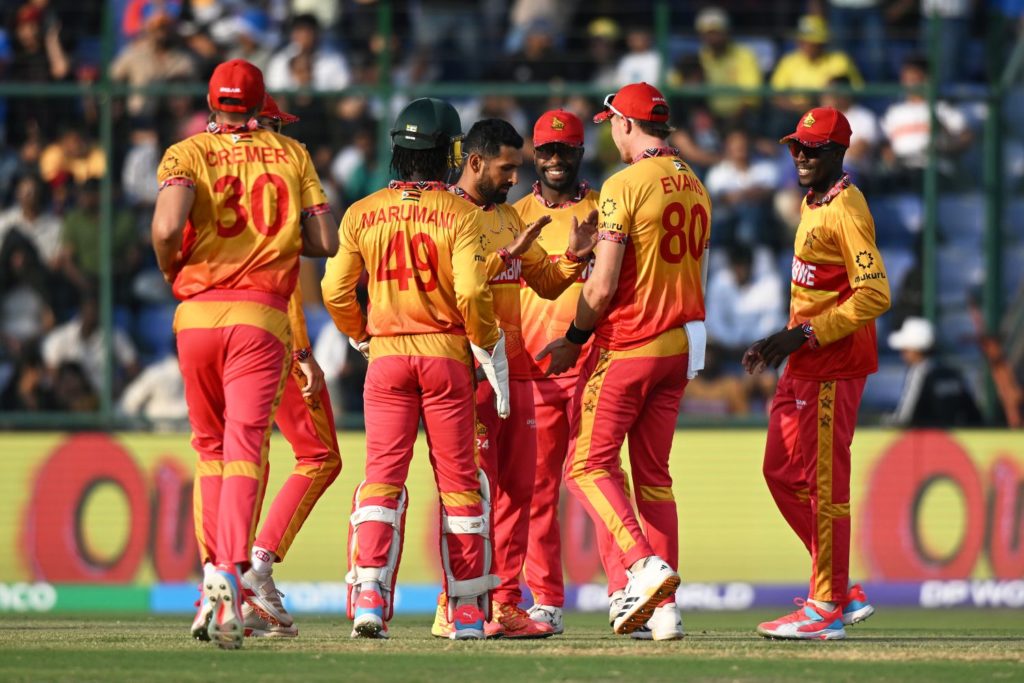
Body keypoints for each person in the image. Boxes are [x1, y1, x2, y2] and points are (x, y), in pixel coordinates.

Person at [151, 59, 338, 650]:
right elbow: (325, 241)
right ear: (261, 103)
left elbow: (165, 228)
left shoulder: (185, 152)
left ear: (210, 101)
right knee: (246, 450)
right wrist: (282, 239)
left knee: (209, 447)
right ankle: (232, 571)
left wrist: (172, 270)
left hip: (196, 314)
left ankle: (212, 579)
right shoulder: (291, 153)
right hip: (259, 317)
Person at [321, 97, 507, 641]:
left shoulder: (362, 211)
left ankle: (369, 599)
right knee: (459, 486)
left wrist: (360, 334)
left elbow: (334, 289)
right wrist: (486, 345)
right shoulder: (461, 213)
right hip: (445, 356)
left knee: (381, 480)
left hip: (386, 358)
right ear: (450, 151)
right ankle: (468, 612)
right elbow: (473, 290)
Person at [538, 82, 713, 641]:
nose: (609, 131)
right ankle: (666, 613)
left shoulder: (623, 185)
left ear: (626, 124)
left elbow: (604, 283)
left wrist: (572, 336)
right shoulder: (696, 184)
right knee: (655, 478)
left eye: (610, 122)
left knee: (586, 466)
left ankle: (642, 567)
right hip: (678, 345)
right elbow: (698, 276)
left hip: (630, 345)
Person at [430, 117, 597, 639]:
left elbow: (544, 281)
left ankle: (504, 603)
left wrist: (572, 256)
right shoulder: (443, 217)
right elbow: (452, 289)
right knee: (472, 490)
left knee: (520, 491)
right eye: (506, 168)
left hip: (517, 370)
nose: (513, 178)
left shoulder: (506, 217)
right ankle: (452, 604)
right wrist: (507, 255)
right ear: (475, 162)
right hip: (469, 370)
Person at [742, 107, 890, 640]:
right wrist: (781, 340)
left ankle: (826, 604)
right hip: (803, 362)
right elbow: (816, 287)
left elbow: (875, 293)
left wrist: (802, 336)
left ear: (839, 153)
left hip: (832, 364)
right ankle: (840, 588)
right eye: (796, 147)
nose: (800, 156)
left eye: (813, 149)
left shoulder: (846, 208)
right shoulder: (812, 201)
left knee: (826, 486)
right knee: (781, 471)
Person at [239, 96, 343, 640]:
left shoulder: (214, 172)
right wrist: (303, 355)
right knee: (320, 456)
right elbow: (283, 284)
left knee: (235, 458)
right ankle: (255, 573)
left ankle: (230, 582)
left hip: (216, 329)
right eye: (280, 128)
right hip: (272, 339)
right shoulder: (277, 180)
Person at [511, 110, 612, 636]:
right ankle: (546, 600)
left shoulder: (606, 211)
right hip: (534, 369)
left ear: (580, 153)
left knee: (601, 481)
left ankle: (624, 593)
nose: (555, 161)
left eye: (565, 151)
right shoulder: (515, 215)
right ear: (534, 153)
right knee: (538, 492)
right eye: (546, 151)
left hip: (595, 364)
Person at [887, 316, 983, 427]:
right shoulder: (953, 374)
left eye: (905, 349)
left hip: (926, 439)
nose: (902, 354)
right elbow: (973, 415)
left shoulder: (919, 372)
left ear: (916, 350)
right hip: (952, 439)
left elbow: (905, 418)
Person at [770, 16, 863, 118]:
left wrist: (815, 107)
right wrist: (801, 109)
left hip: (830, 114)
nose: (804, 45)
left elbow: (850, 92)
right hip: (793, 114)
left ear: (821, 43)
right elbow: (776, 94)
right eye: (802, 41)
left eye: (810, 42)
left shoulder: (839, 60)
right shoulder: (788, 61)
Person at [694, 7, 763, 126]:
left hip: (741, 117)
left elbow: (751, 96)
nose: (713, 37)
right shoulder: (698, 57)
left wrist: (734, 119)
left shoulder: (744, 55)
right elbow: (679, 85)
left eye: (716, 32)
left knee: (737, 139)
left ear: (727, 31)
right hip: (708, 117)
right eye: (708, 33)